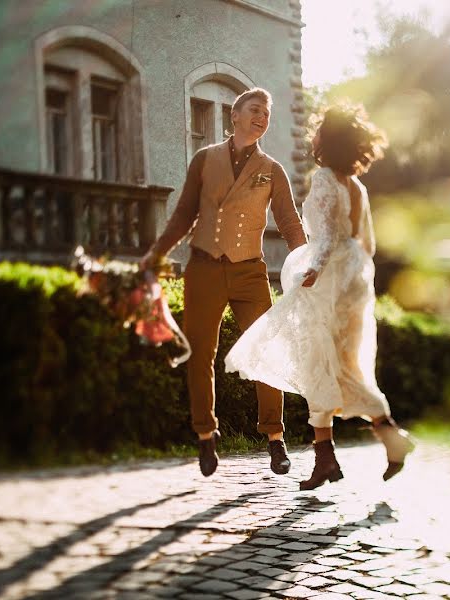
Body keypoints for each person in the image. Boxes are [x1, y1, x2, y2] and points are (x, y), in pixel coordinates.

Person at [225, 103, 414, 491]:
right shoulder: (356, 186)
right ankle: (388, 438)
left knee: (318, 362)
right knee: (345, 366)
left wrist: (314, 269)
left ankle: (326, 458)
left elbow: (325, 237)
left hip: (327, 279)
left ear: (329, 140)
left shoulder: (326, 178)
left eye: (317, 131)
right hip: (355, 280)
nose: (312, 137)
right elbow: (369, 244)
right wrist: (352, 273)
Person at [140, 88, 305, 478]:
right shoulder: (204, 159)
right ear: (235, 116)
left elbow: (290, 223)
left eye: (267, 112)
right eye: (255, 110)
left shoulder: (272, 169)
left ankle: (275, 439)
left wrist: (306, 264)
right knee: (200, 353)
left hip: (249, 271)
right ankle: (205, 435)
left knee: (264, 352)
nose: (262, 116)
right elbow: (183, 214)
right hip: (204, 268)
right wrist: (157, 252)